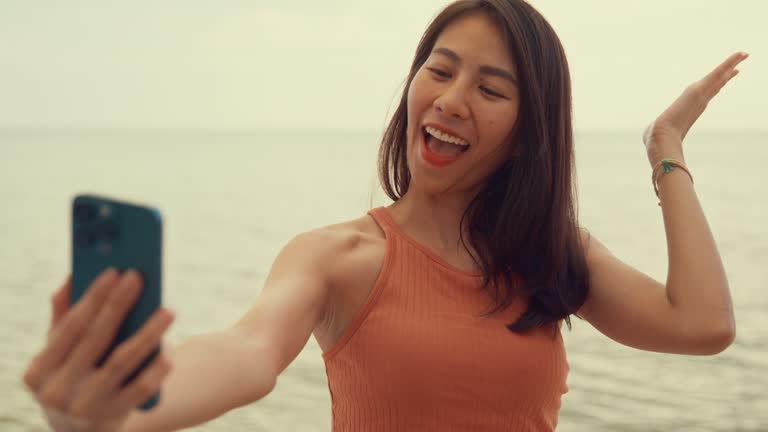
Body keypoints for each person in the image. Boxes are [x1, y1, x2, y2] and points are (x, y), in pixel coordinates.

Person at [23, 0, 745, 431]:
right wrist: (120, 407)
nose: (452, 98)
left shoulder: (549, 252)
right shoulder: (337, 256)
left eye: (491, 89)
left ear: (529, 131)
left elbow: (702, 324)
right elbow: (247, 352)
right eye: (439, 68)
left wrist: (666, 152)